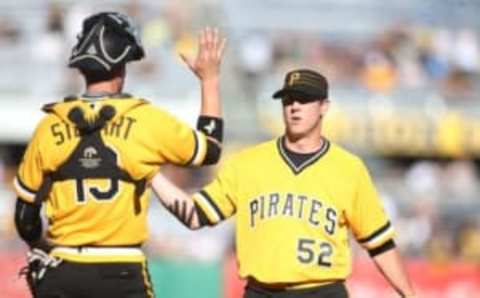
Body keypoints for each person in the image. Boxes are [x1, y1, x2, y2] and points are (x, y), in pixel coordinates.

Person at [13, 11, 226, 298]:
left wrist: (44, 251)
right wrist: (209, 80)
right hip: (120, 270)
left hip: (62, 270)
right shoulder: (144, 121)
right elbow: (209, 149)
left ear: (81, 69)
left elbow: (25, 218)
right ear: (122, 68)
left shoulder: (49, 125)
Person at [151, 69, 417, 298]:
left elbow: (379, 243)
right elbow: (196, 215)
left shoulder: (349, 168)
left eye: (304, 99)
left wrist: (409, 294)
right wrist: (151, 175)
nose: (295, 106)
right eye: (288, 99)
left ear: (324, 106)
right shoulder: (248, 162)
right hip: (262, 291)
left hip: (323, 291)